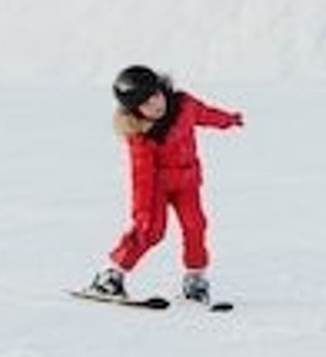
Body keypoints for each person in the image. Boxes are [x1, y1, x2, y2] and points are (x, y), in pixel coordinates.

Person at [86, 65, 244, 303]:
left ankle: (195, 280)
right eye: (147, 104)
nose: (157, 105)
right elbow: (141, 176)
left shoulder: (184, 106)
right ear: (136, 110)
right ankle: (111, 276)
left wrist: (228, 120)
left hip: (187, 182)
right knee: (150, 231)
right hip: (157, 187)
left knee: (195, 225)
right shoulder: (141, 135)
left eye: (157, 96)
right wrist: (142, 212)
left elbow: (206, 114)